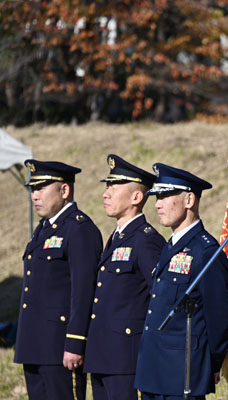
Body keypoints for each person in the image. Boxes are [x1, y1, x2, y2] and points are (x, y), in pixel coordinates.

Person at [135, 163, 228, 400]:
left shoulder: (206, 251)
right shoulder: (170, 246)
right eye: (156, 197)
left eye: (165, 196)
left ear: (189, 200)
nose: (157, 204)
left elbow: (219, 315)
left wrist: (212, 363)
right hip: (154, 370)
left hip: (183, 373)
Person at [14, 159, 103, 400]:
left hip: (60, 349)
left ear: (64, 190)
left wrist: (75, 343)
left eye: (42, 188)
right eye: (33, 188)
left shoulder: (79, 229)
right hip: (35, 345)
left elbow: (83, 291)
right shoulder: (44, 229)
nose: (35, 196)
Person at [84, 155, 166, 399]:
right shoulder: (118, 237)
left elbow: (160, 299)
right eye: (107, 186)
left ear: (137, 197)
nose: (105, 194)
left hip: (126, 361)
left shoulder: (146, 240)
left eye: (114, 187)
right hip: (102, 357)